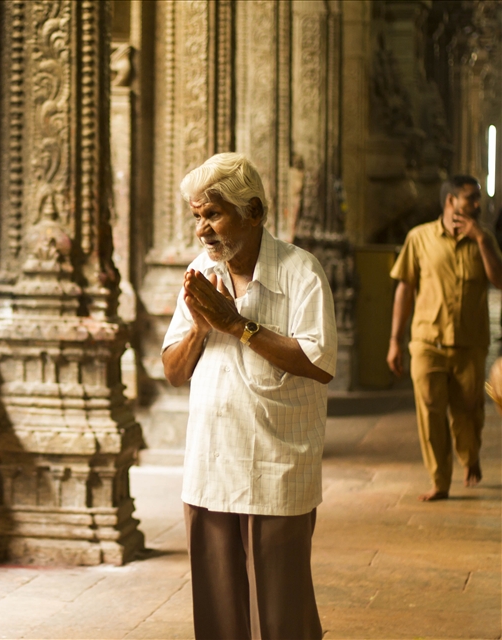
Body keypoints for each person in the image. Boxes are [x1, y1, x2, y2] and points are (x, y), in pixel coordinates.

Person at [162, 153, 337, 640]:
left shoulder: (301, 273)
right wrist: (201, 329)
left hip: (275, 469)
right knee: (219, 615)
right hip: (210, 468)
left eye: (213, 214)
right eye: (197, 216)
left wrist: (237, 324)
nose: (202, 230)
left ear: (254, 212)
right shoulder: (200, 274)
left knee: (284, 616)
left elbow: (319, 364)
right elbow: (174, 372)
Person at [387, 175, 502, 501]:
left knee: (469, 412)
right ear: (451, 201)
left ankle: (470, 457)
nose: (477, 204)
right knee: (430, 410)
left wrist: (481, 240)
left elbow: (499, 280)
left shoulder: (486, 239)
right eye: (471, 198)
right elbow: (405, 289)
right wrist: (395, 340)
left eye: (478, 198)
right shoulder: (419, 238)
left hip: (470, 343)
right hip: (427, 342)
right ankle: (439, 480)